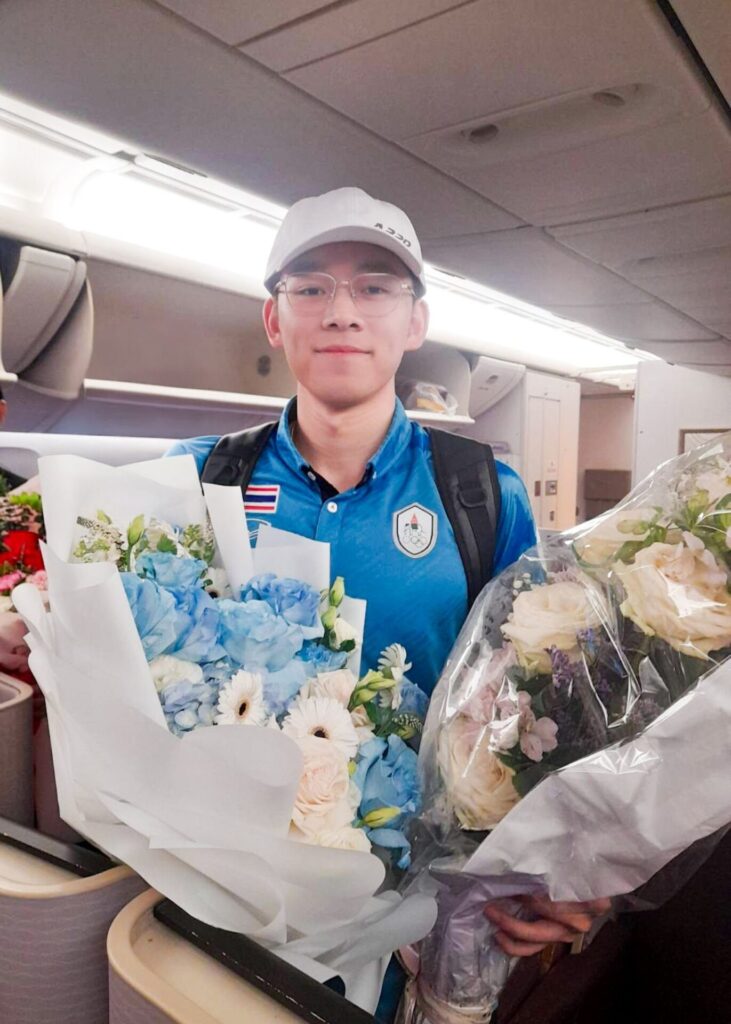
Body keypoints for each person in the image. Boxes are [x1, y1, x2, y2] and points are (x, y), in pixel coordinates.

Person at [168, 187, 609, 1019]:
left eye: (374, 287)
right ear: (274, 321)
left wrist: (567, 863)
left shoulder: (480, 491)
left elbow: (550, 693)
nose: (342, 312)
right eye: (310, 287)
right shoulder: (197, 479)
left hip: (425, 898)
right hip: (235, 891)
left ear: (415, 323)